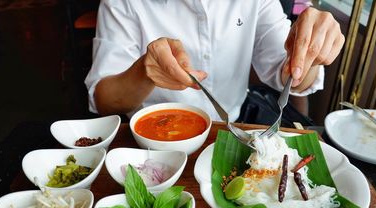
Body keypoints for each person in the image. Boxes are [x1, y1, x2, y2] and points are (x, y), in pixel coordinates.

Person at [85, 0, 344, 122]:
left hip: (233, 127)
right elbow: (104, 100)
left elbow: (291, 77)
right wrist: (144, 72)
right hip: (149, 137)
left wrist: (310, 53)